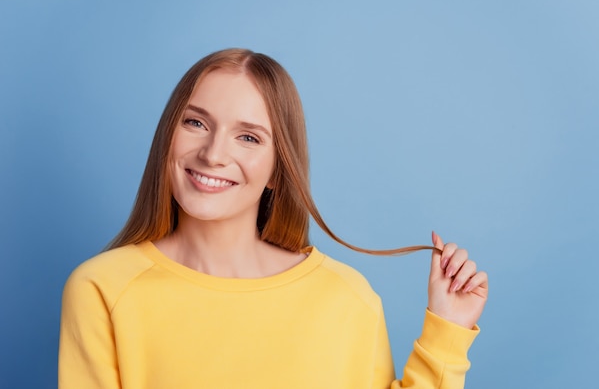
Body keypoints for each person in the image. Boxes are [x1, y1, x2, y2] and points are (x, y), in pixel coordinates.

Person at [58, 48, 488, 389]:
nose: (213, 154)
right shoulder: (102, 289)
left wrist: (448, 330)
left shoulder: (345, 298)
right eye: (195, 123)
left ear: (279, 171)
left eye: (247, 137)